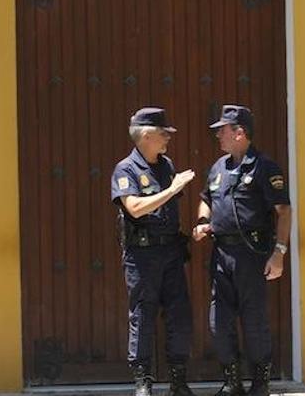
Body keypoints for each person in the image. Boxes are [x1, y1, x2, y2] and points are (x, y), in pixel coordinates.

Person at [192, 105, 291, 396]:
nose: (218, 136)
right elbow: (205, 199)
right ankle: (232, 380)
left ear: (240, 133)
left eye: (222, 130)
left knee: (254, 321)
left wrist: (279, 252)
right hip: (222, 254)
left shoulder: (265, 167)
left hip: (252, 254)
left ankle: (260, 382)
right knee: (219, 321)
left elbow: (283, 211)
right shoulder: (218, 167)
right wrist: (202, 221)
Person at [111, 107, 197, 396]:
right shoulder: (126, 170)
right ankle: (143, 381)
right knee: (143, 315)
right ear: (146, 136)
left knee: (179, 315)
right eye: (163, 134)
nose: (167, 140)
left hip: (170, 252)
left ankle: (178, 379)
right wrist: (172, 190)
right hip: (142, 256)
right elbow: (134, 207)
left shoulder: (165, 164)